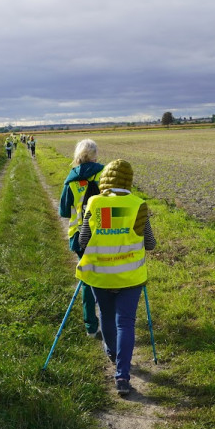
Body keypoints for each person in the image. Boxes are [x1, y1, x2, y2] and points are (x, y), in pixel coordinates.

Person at [76, 159, 156, 397]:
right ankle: (122, 376)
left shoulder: (94, 203)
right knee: (126, 323)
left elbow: (83, 241)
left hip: (100, 277)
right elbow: (150, 244)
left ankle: (111, 352)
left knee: (107, 318)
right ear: (128, 180)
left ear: (105, 180)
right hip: (130, 279)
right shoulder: (139, 205)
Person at [59, 139, 104, 339]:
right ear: (95, 155)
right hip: (102, 234)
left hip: (78, 236)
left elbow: (63, 211)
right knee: (105, 277)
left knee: (86, 280)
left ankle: (91, 327)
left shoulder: (70, 180)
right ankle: (110, 321)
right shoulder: (103, 174)